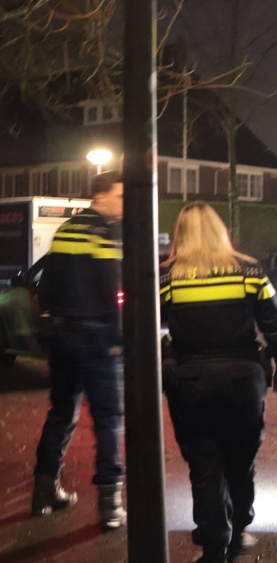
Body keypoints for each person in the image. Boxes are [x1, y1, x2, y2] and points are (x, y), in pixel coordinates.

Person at [160, 202, 277, 563]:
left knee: (203, 464)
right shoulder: (249, 271)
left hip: (190, 380)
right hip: (242, 379)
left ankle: (214, 544)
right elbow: (274, 325)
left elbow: (148, 326)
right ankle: (239, 533)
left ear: (180, 235)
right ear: (221, 231)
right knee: (240, 460)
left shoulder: (167, 277)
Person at [32, 171, 126, 528]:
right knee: (107, 417)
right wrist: (117, 338)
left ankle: (45, 491)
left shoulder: (66, 230)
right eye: (118, 196)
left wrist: (50, 324)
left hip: (62, 333)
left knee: (63, 411)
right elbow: (110, 286)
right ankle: (110, 502)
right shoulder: (103, 232)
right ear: (99, 196)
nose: (122, 204)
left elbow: (48, 281)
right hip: (95, 335)